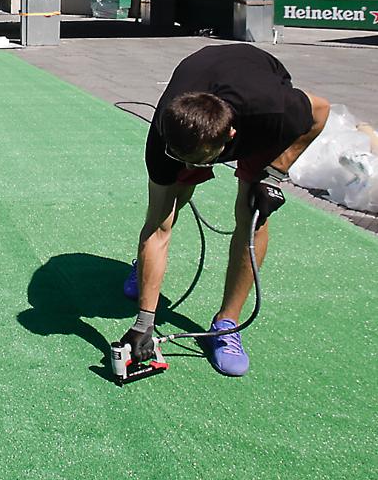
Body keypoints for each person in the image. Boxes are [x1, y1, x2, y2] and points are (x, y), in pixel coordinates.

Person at [118, 43, 330, 376]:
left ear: (229, 137)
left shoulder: (275, 113)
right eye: (181, 157)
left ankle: (227, 324)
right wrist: (145, 322)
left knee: (252, 215)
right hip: (199, 85)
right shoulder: (165, 138)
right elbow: (158, 229)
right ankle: (145, 274)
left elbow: (321, 113)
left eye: (198, 160)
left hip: (256, 106)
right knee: (167, 209)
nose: (188, 165)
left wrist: (276, 173)